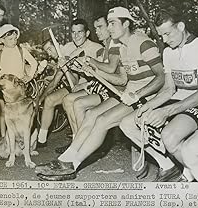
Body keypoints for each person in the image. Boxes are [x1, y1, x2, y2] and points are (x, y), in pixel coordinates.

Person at [35, 6, 166, 181]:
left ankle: (72, 165)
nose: (109, 28)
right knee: (91, 115)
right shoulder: (121, 47)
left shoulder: (144, 43)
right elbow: (120, 78)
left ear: (126, 23)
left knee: (103, 121)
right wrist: (94, 72)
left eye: (112, 23)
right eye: (108, 24)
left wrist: (137, 94)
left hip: (146, 97)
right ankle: (66, 159)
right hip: (129, 94)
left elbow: (161, 78)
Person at [119, 6, 198, 182]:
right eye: (161, 36)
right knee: (128, 123)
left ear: (181, 26)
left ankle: (191, 174)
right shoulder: (168, 52)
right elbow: (168, 89)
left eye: (168, 34)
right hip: (177, 100)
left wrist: (165, 112)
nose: (165, 40)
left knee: (169, 136)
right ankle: (169, 166)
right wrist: (147, 106)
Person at [36, 18, 103, 147]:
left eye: (80, 32)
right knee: (50, 100)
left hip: (90, 86)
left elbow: (98, 75)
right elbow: (61, 76)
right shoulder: (68, 48)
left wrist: (67, 68)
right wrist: (41, 98)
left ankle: (78, 139)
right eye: (73, 32)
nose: (76, 35)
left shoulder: (96, 48)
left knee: (70, 100)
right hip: (74, 85)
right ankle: (41, 140)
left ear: (87, 33)